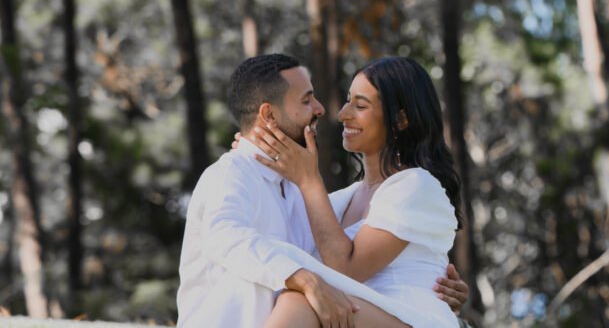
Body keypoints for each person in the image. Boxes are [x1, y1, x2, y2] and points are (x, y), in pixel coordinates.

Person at [176, 54, 467, 328]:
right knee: (300, 296)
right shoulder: (333, 200)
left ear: (400, 120)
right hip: (351, 314)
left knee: (301, 300)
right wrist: (253, 161)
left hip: (409, 316)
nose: (340, 114)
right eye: (348, 101)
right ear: (268, 115)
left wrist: (309, 180)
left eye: (360, 106)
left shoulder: (415, 185)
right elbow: (230, 236)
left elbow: (346, 269)